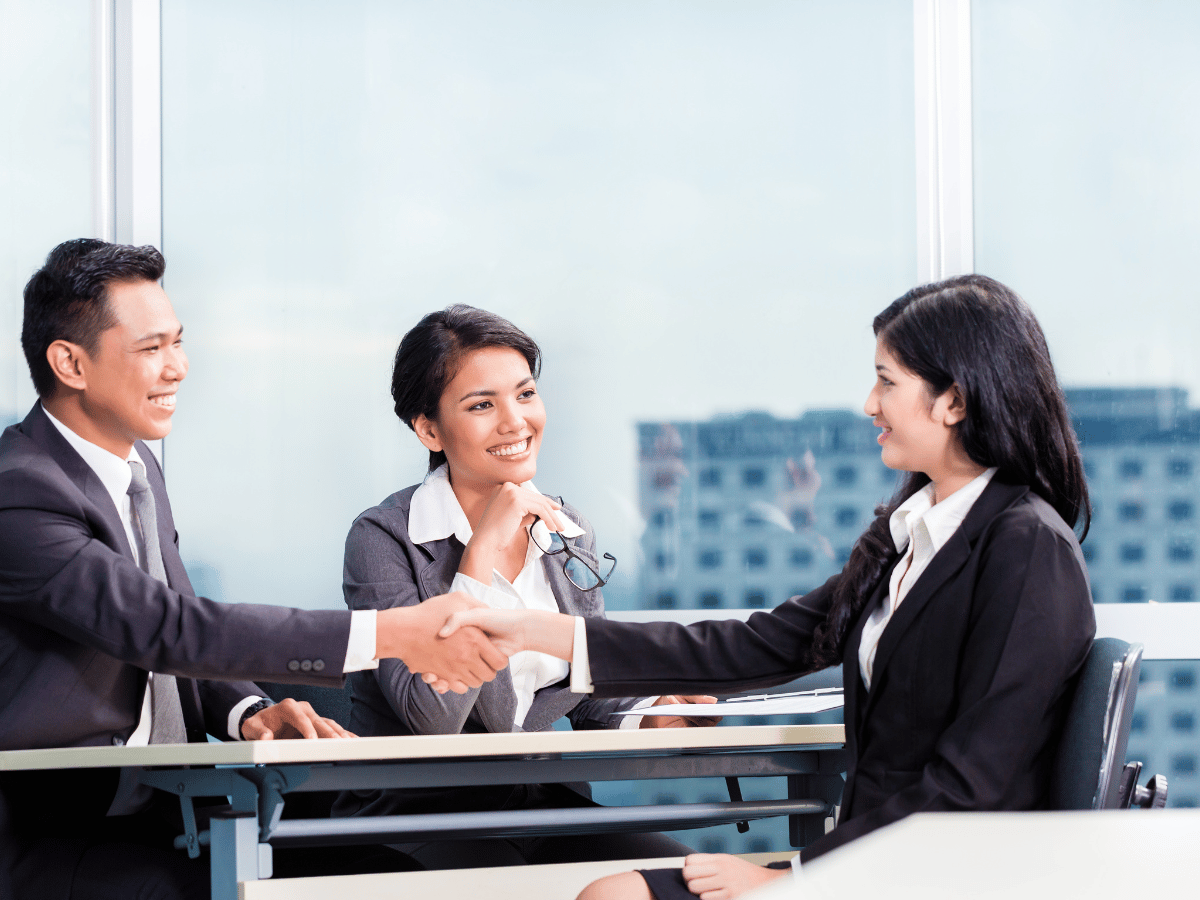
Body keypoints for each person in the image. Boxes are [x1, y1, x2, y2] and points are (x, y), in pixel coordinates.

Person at [441, 275, 1097, 899]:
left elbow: (972, 786)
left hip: (934, 879)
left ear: (953, 401)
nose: (870, 404)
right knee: (613, 891)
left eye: (886, 381)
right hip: (870, 862)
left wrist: (796, 877)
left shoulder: (1025, 548)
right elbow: (750, 646)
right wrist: (541, 633)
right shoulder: (913, 537)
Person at [0, 240, 507, 900]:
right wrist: (390, 633)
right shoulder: (21, 491)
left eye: (178, 342)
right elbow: (167, 628)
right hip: (62, 834)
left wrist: (247, 713)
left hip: (171, 812)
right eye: (152, 348)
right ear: (70, 363)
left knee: (392, 880)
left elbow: (177, 633)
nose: (178, 368)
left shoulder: (133, 468)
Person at [332, 304, 715, 869]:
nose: (515, 421)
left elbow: (584, 688)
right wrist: (481, 555)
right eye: (481, 405)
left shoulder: (565, 528)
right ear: (428, 429)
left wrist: (647, 713)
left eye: (526, 394)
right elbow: (431, 718)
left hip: (542, 808)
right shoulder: (384, 539)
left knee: (680, 881)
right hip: (415, 815)